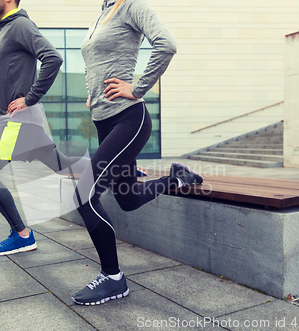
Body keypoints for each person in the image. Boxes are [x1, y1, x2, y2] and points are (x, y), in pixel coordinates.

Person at [71, 0, 203, 305]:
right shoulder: (103, 13)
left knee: (83, 195)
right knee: (128, 200)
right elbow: (95, 61)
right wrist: (91, 93)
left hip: (130, 118)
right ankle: (175, 178)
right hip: (105, 121)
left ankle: (114, 278)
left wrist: (138, 87)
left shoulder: (131, 6)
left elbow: (166, 45)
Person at [0, 0, 82, 256]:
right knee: (63, 166)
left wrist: (30, 97)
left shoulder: (20, 25)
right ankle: (121, 168)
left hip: (19, 122)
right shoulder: (6, 29)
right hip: (18, 120)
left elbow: (53, 58)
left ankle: (22, 234)